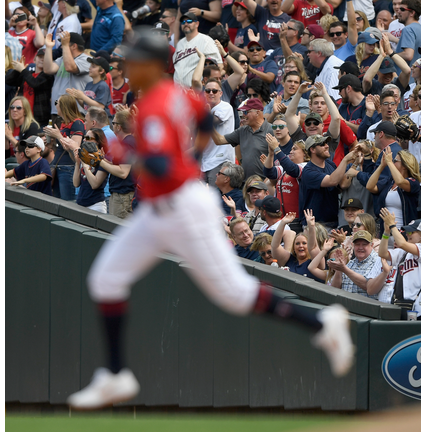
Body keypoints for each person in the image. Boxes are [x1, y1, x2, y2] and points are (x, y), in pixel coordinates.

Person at [69, 33, 355, 410]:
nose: (129, 66)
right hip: (159, 209)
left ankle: (324, 325)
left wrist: (124, 151)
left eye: (136, 61)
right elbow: (203, 120)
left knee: (236, 295)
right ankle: (115, 374)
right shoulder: (178, 95)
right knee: (105, 279)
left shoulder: (156, 103)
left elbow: (161, 165)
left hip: (183, 208)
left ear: (153, 66)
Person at [378, 212, 421, 319]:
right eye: (407, 232)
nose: (407, 234)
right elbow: (382, 253)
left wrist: (392, 226)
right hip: (400, 304)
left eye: (411, 232)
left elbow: (401, 243)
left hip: (416, 307)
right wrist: (386, 232)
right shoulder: (403, 252)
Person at [211, 97, 272, 180]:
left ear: (257, 113)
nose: (243, 115)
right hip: (246, 184)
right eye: (242, 112)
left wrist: (268, 182)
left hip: (264, 185)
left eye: (246, 112)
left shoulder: (271, 130)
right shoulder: (243, 130)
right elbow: (219, 140)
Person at [366, 148, 421, 230]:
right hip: (386, 232)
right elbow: (369, 186)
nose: (392, 162)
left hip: (404, 232)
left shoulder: (413, 182)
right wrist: (382, 166)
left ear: (405, 166)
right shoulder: (390, 182)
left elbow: (400, 182)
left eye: (395, 160)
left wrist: (389, 162)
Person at [44, 94, 86, 201]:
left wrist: (58, 135)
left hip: (68, 167)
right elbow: (62, 146)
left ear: (63, 106)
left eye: (56, 103)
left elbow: (74, 147)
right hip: (58, 165)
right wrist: (51, 143)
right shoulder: (64, 123)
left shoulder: (77, 123)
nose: (55, 106)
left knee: (67, 202)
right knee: (56, 201)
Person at [44, 31, 92, 117]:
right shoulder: (62, 59)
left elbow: (70, 67)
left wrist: (65, 45)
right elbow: (48, 69)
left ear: (74, 46)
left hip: (75, 111)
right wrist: (48, 47)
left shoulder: (87, 59)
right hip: (57, 110)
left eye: (64, 44)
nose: (61, 47)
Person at [262, 126, 308, 215]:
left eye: (294, 149)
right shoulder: (284, 169)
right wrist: (271, 154)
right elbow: (269, 173)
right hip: (281, 218)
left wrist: (276, 148)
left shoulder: (306, 167)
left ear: (305, 154)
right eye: (291, 149)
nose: (290, 152)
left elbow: (292, 169)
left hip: (297, 219)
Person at [328, 230, 383, 300]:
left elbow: (368, 286)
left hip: (366, 308)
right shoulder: (350, 263)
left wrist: (344, 269)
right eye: (357, 244)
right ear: (352, 245)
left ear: (371, 245)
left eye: (364, 244)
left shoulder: (378, 262)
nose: (360, 247)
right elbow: (335, 289)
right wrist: (339, 270)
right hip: (346, 307)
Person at [173, 12, 223, 88]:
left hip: (197, 91)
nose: (186, 23)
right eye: (183, 22)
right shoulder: (179, 43)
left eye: (189, 21)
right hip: (178, 93)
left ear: (197, 24)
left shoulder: (206, 40)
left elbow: (219, 66)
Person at [200, 78, 236, 186]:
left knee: (215, 198)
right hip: (204, 162)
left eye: (214, 91)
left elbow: (215, 121)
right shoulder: (202, 108)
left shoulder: (225, 106)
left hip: (221, 161)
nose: (211, 93)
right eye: (208, 90)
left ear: (220, 93)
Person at [272, 212, 325, 282]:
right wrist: (283, 223)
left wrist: (311, 227)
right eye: (297, 243)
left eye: (304, 243)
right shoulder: (289, 260)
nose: (300, 246)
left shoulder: (315, 261)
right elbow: (275, 246)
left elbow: (314, 248)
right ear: (293, 247)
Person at [73, 129, 109, 213]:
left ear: (97, 141)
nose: (84, 140)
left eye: (88, 137)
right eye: (84, 137)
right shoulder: (85, 156)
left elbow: (94, 184)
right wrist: (77, 163)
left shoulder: (103, 160)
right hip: (81, 203)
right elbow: (76, 184)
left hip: (96, 205)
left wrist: (85, 165)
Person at [5, 96, 42, 161]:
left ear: (25, 111)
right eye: (12, 107)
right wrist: (5, 139)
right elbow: (6, 155)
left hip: (26, 164)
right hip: (10, 162)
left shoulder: (33, 127)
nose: (14, 110)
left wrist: (10, 137)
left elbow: (28, 152)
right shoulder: (8, 127)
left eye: (18, 108)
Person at [394, 0, 421, 65]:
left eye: (402, 9)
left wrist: (391, 55)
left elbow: (408, 55)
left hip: (408, 73)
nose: (398, 12)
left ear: (412, 13)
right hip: (418, 73)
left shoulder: (408, 29)